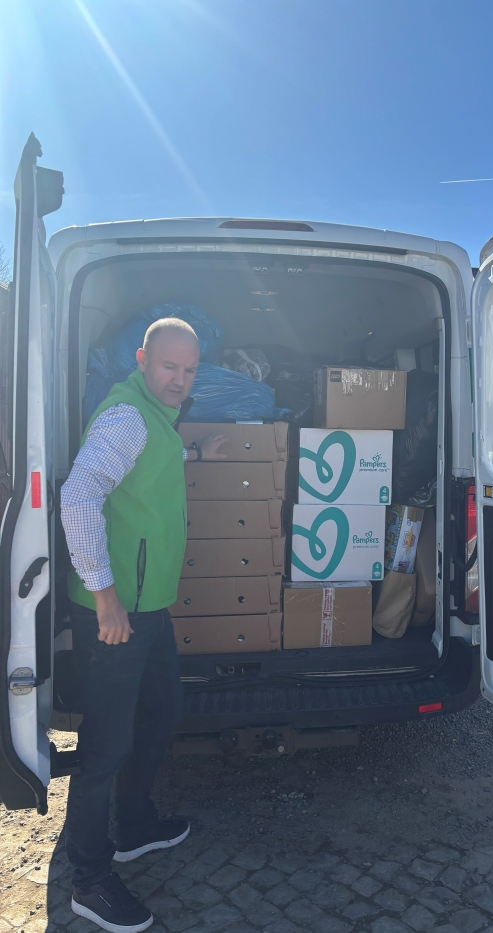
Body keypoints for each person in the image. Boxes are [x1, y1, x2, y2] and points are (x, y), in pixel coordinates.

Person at [61, 318, 225, 933]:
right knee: (106, 746)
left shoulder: (156, 417)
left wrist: (197, 454)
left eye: (189, 370)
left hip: (147, 606)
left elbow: (150, 461)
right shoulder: (127, 416)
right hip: (115, 613)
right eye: (168, 367)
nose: (179, 380)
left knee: (163, 710)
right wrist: (105, 598)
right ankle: (89, 879)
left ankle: (133, 827)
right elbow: (78, 497)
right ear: (141, 359)